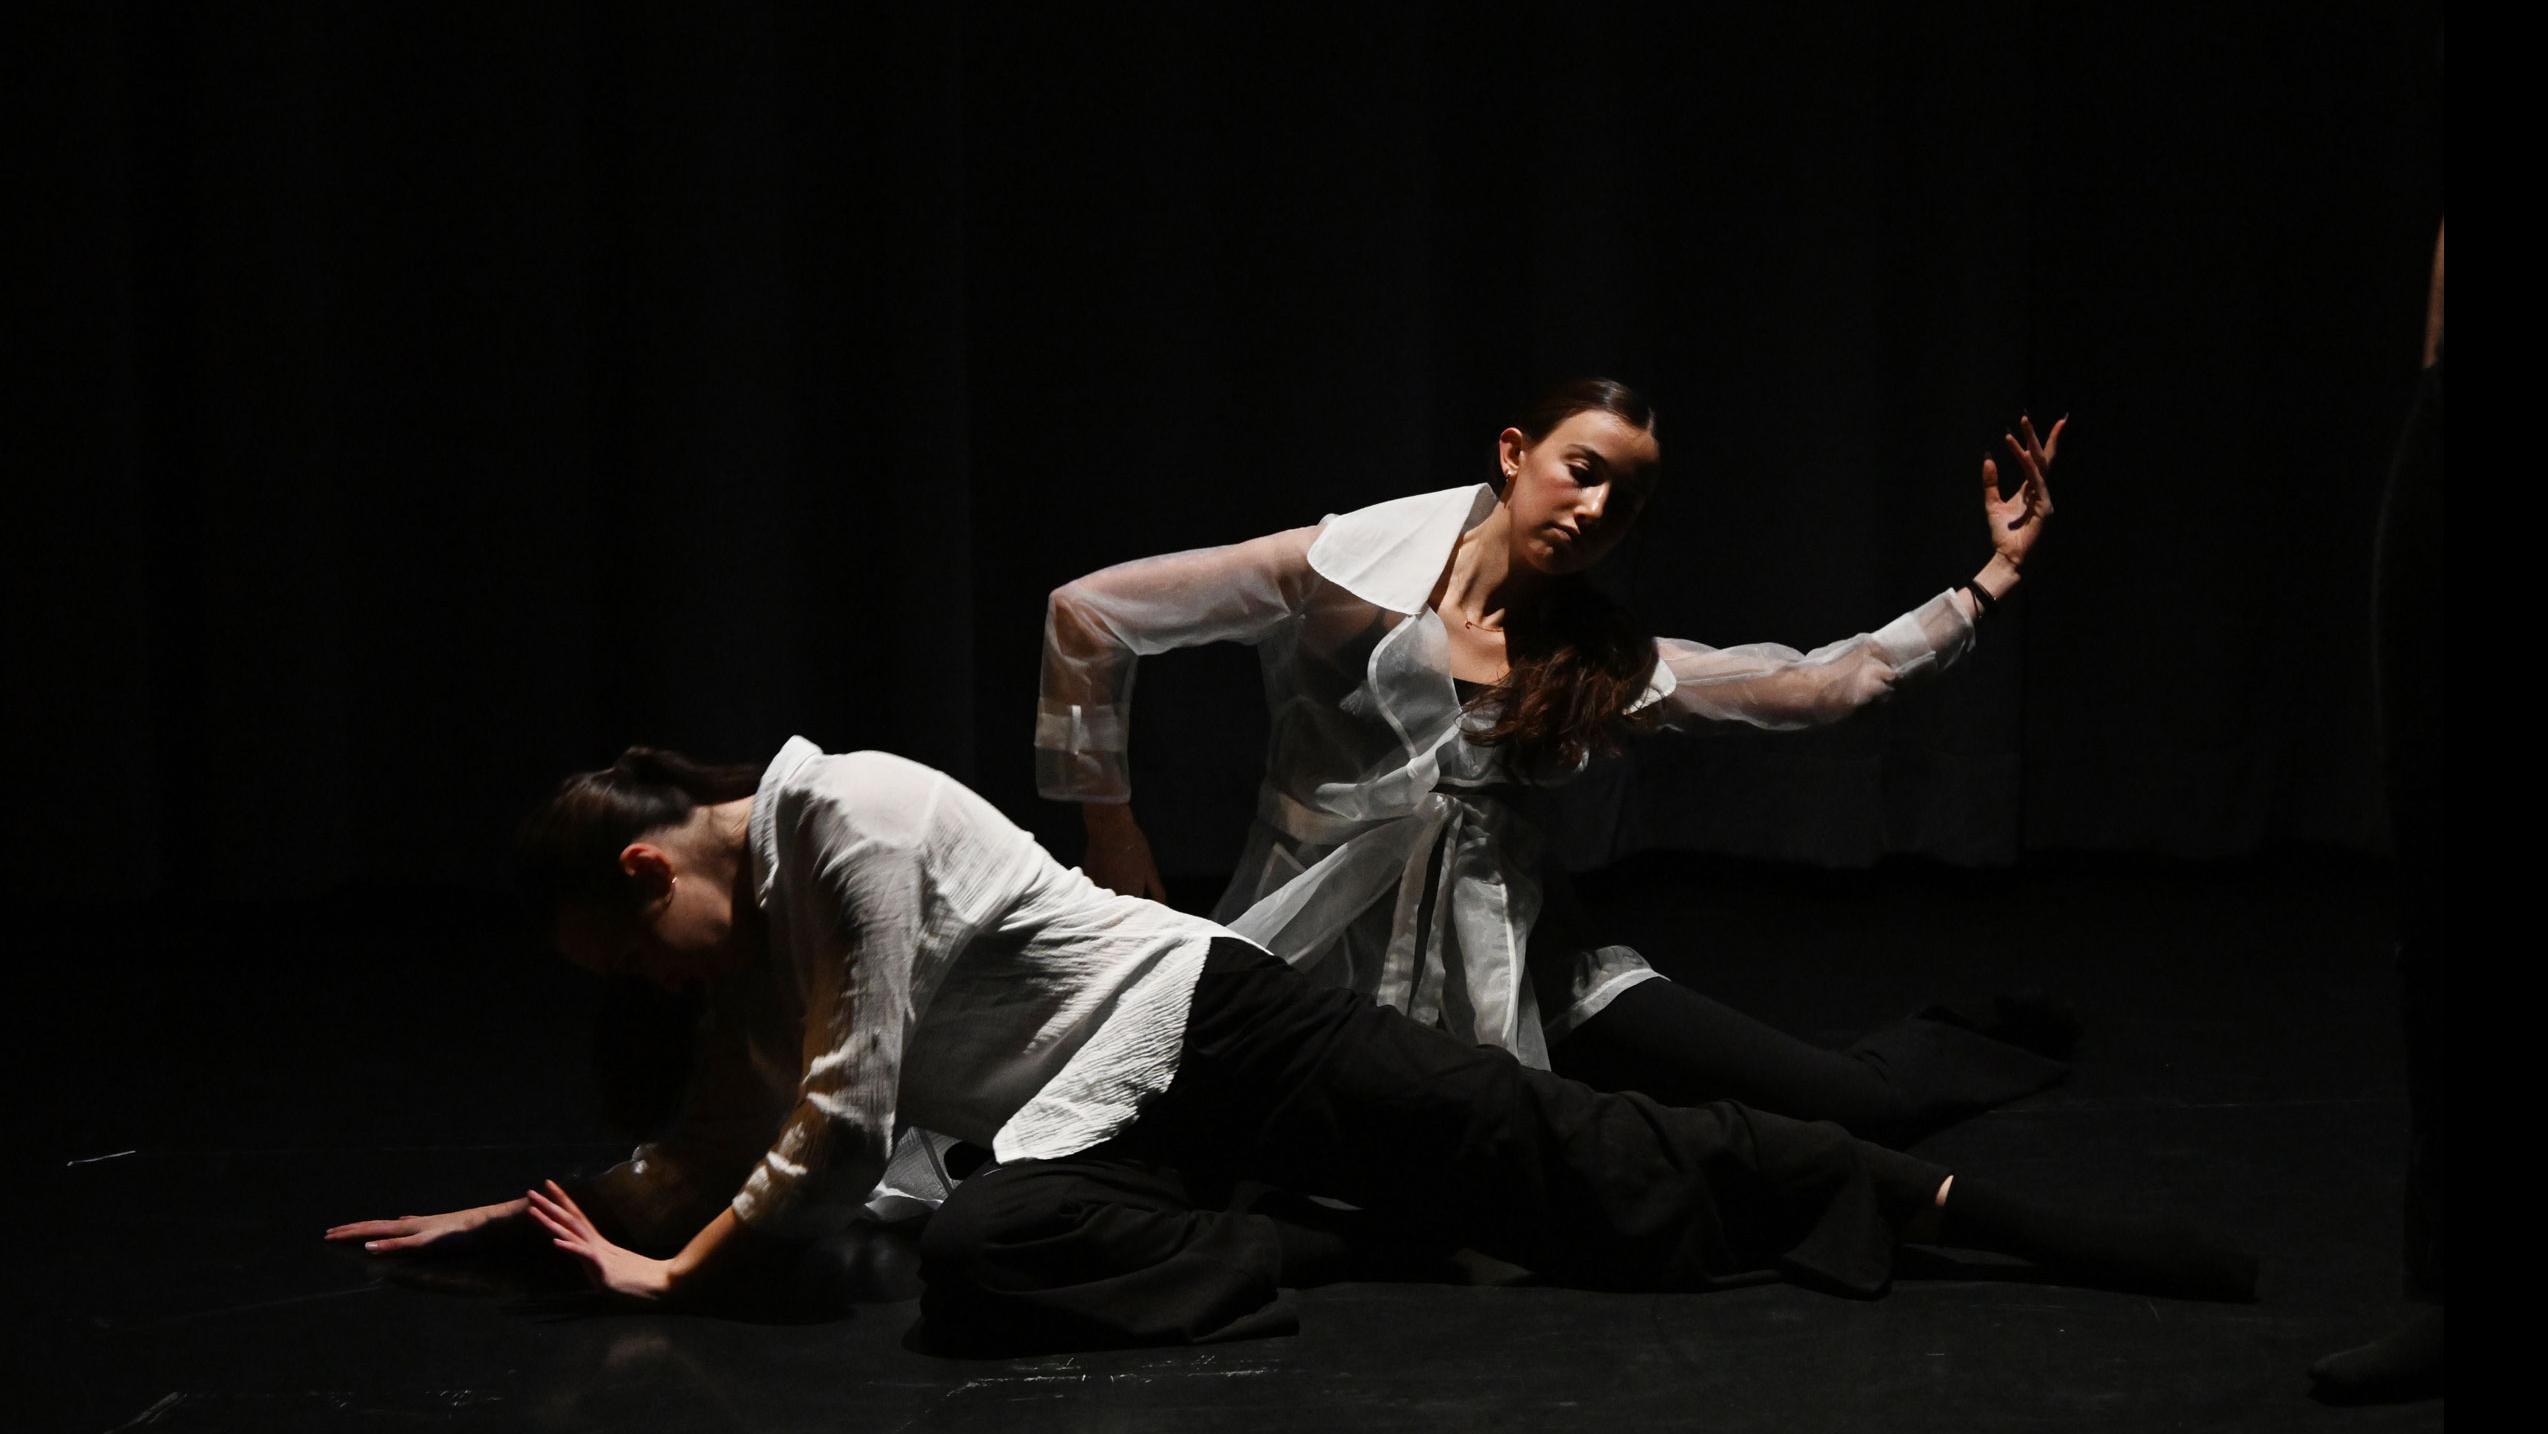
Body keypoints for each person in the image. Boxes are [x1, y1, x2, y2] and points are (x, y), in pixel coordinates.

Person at [327, 739, 2256, 1354]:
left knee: (1587, 1168)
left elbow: (833, 1117)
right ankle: (1301, 1236)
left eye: (621, 945)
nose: (645, 986)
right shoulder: (742, 941)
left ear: (655, 858)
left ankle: (1952, 1192)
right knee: (985, 1258)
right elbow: (735, 1114)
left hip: (1214, 1025)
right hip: (1109, 1125)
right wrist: (537, 1210)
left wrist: (669, 1259)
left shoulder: (853, 824)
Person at [1040, 380, 2070, 1143]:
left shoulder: (1595, 663)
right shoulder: (1346, 572)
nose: (1590, 512)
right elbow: (1091, 614)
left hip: (1533, 981)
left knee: (1853, 1106)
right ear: (1512, 452)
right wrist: (1109, 820)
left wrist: (1988, 580)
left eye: (1621, 505)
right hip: (1311, 974)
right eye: (1581, 472)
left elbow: (1817, 685)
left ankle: (1983, 1030)